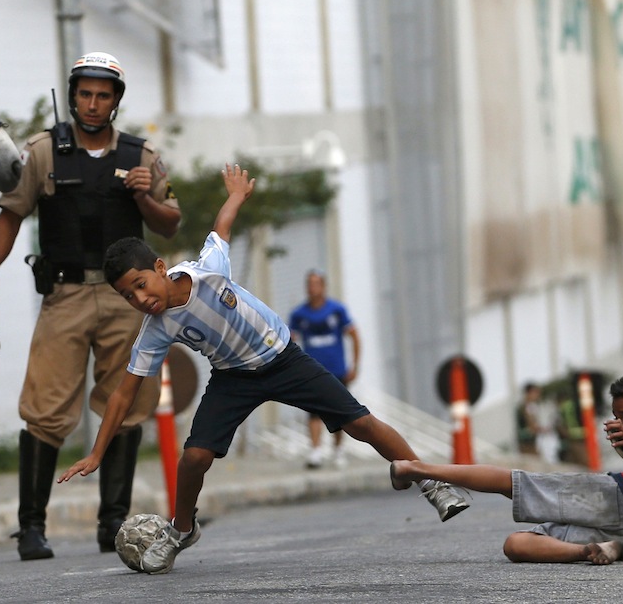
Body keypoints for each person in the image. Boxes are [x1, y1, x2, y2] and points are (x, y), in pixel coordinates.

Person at [58, 164, 470, 574]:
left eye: (141, 284)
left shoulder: (208, 272)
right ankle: (181, 529)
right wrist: (97, 451)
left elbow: (222, 227)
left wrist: (236, 194)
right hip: (233, 378)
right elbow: (124, 392)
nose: (140, 298)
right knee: (195, 457)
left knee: (360, 423)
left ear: (161, 268)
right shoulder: (155, 329)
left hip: (284, 359)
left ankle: (432, 482)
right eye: (128, 296)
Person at [0, 52, 181, 561]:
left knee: (126, 405)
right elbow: (11, 215)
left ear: (115, 102)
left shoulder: (141, 156)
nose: (92, 103)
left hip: (127, 301)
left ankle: (113, 523)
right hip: (64, 294)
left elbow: (169, 223)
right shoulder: (43, 152)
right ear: (73, 95)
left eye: (103, 95)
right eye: (84, 93)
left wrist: (145, 198)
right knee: (44, 407)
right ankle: (32, 527)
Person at [390, 371, 623, 565]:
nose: (619, 425)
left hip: (616, 500)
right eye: (616, 417)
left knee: (513, 482)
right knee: (516, 545)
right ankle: (593, 550)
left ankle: (420, 469)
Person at [289, 269, 360, 469]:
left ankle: (338, 450)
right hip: (312, 370)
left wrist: (355, 365)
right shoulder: (299, 314)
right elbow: (290, 340)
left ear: (323, 286)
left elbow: (354, 335)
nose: (312, 288)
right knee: (313, 410)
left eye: (316, 283)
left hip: (336, 370)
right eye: (309, 284)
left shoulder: (336, 310)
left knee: (339, 412)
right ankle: (315, 450)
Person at [515, 382, 541, 456]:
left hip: (531, 441)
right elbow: (531, 425)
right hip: (526, 443)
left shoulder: (531, 406)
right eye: (535, 392)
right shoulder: (524, 407)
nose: (537, 395)